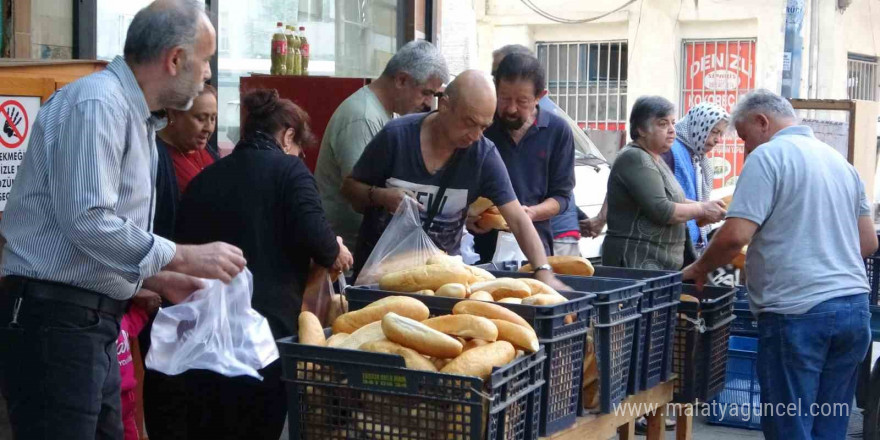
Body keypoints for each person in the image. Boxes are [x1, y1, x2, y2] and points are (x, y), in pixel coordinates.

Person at [0, 2, 246, 439]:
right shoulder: (98, 104)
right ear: (174, 59)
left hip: (86, 323)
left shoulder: (133, 115)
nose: (208, 73)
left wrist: (154, 280)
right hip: (57, 323)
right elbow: (88, 221)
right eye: (205, 60)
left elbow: (92, 237)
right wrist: (183, 258)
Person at [683, 89, 877, 440]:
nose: (746, 149)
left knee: (790, 426)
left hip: (797, 314)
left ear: (763, 122)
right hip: (853, 312)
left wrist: (697, 270)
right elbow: (868, 243)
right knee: (829, 425)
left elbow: (733, 236)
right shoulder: (842, 165)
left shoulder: (769, 157)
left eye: (744, 138)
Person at [169, 88, 353, 440]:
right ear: (286, 137)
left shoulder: (205, 178)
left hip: (202, 337)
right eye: (299, 147)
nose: (299, 156)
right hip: (265, 337)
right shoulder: (290, 172)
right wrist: (338, 250)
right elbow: (320, 239)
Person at [341, 70, 566, 290]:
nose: (476, 135)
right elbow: (349, 189)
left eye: (484, 127)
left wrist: (543, 269)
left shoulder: (482, 154)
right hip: (377, 279)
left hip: (441, 284)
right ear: (445, 106)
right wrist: (380, 196)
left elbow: (517, 218)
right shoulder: (397, 137)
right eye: (469, 122)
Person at [315, 40, 448, 251]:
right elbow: (357, 196)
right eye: (425, 93)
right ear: (401, 80)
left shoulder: (389, 112)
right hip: (345, 250)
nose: (428, 103)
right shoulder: (363, 116)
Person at [602, 96, 726, 271]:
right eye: (662, 124)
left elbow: (675, 199)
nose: (672, 130)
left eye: (673, 123)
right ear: (641, 129)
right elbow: (662, 209)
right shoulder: (635, 157)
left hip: (658, 266)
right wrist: (702, 210)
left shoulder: (655, 157)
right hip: (636, 263)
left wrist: (704, 207)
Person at [474, 52, 575, 261]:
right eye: (504, 98)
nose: (511, 109)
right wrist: (467, 216)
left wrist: (530, 214)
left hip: (534, 248)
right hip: (480, 248)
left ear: (540, 96)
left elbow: (562, 197)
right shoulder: (481, 126)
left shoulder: (557, 131)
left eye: (522, 101)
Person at [660, 103, 730, 257]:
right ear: (699, 126)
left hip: (690, 244)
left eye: (721, 134)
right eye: (714, 132)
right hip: (672, 246)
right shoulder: (670, 151)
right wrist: (703, 209)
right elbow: (661, 198)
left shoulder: (698, 157)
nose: (718, 140)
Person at [154, 84, 220, 239]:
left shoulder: (207, 151)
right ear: (173, 114)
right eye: (201, 118)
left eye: (213, 118)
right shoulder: (154, 156)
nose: (209, 128)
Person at [117, 289, 161, 440]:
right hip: (109, 398)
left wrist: (146, 306)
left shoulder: (121, 319)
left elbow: (136, 322)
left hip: (128, 400)